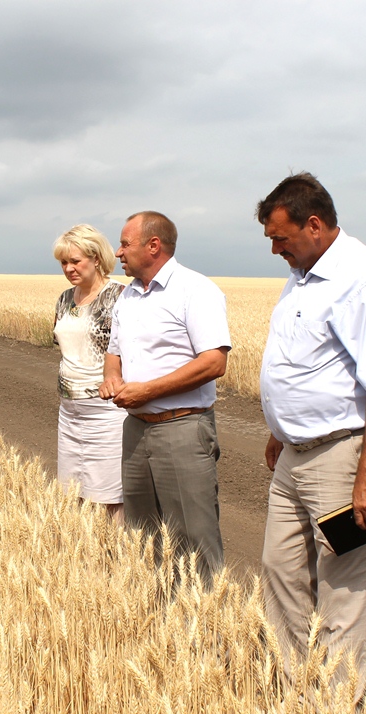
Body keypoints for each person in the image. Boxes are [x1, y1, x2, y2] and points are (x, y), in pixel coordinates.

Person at [256, 172, 366, 702]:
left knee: (343, 589)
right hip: (294, 456)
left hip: (343, 456)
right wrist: (279, 429)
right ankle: (294, 703)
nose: (275, 250)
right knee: (281, 572)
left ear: (314, 225)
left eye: (281, 238)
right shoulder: (303, 273)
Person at [98, 211, 231, 586]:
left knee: (194, 537)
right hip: (136, 429)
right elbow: (114, 352)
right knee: (143, 535)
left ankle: (206, 617)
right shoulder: (128, 296)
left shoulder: (195, 290)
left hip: (182, 429)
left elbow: (214, 362)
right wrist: (112, 378)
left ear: (153, 245)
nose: (118, 252)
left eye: (125, 244)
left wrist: (147, 390)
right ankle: (157, 614)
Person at [53, 224, 128, 524]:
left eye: (75, 261)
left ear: (96, 259)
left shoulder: (120, 296)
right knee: (73, 492)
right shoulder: (64, 299)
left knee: (109, 492)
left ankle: (118, 549)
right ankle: (84, 549)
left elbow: (131, 351)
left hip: (107, 411)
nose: (69, 268)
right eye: (63, 262)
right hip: (69, 410)